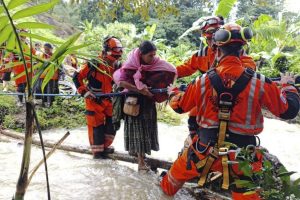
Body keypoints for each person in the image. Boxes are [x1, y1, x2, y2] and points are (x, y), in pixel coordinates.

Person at [160, 23, 300, 199]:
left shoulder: (202, 81)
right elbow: (289, 111)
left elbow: (179, 106)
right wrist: (288, 85)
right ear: (243, 50)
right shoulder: (261, 83)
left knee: (167, 186)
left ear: (217, 51)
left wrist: (173, 91)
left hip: (202, 152)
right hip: (243, 160)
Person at [177, 16, 257, 148]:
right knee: (193, 116)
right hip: (209, 98)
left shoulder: (239, 54)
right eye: (208, 38)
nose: (211, 42)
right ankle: (196, 141)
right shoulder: (201, 54)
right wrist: (165, 72)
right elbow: (186, 68)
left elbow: (248, 73)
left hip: (235, 100)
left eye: (213, 37)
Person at [113, 41, 176, 171]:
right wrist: (140, 89)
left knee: (147, 130)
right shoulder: (130, 65)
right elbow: (122, 82)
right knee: (138, 132)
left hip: (148, 103)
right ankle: (141, 163)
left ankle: (143, 157)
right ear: (141, 55)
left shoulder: (156, 64)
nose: (153, 58)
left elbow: (169, 71)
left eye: (154, 55)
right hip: (134, 104)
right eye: (150, 55)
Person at [73, 36, 123, 159]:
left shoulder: (116, 65)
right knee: (97, 128)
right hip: (94, 100)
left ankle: (105, 147)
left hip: (109, 99)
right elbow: (76, 76)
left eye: (117, 57)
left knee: (113, 124)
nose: (115, 60)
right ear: (106, 51)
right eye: (114, 57)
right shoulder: (93, 63)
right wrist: (84, 92)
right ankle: (97, 153)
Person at [12, 29, 36, 106]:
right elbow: (13, 56)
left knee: (29, 85)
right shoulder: (15, 44)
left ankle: (30, 100)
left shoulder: (29, 44)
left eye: (25, 34)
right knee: (21, 85)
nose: (23, 36)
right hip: (19, 68)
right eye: (22, 35)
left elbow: (34, 54)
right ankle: (19, 101)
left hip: (29, 67)